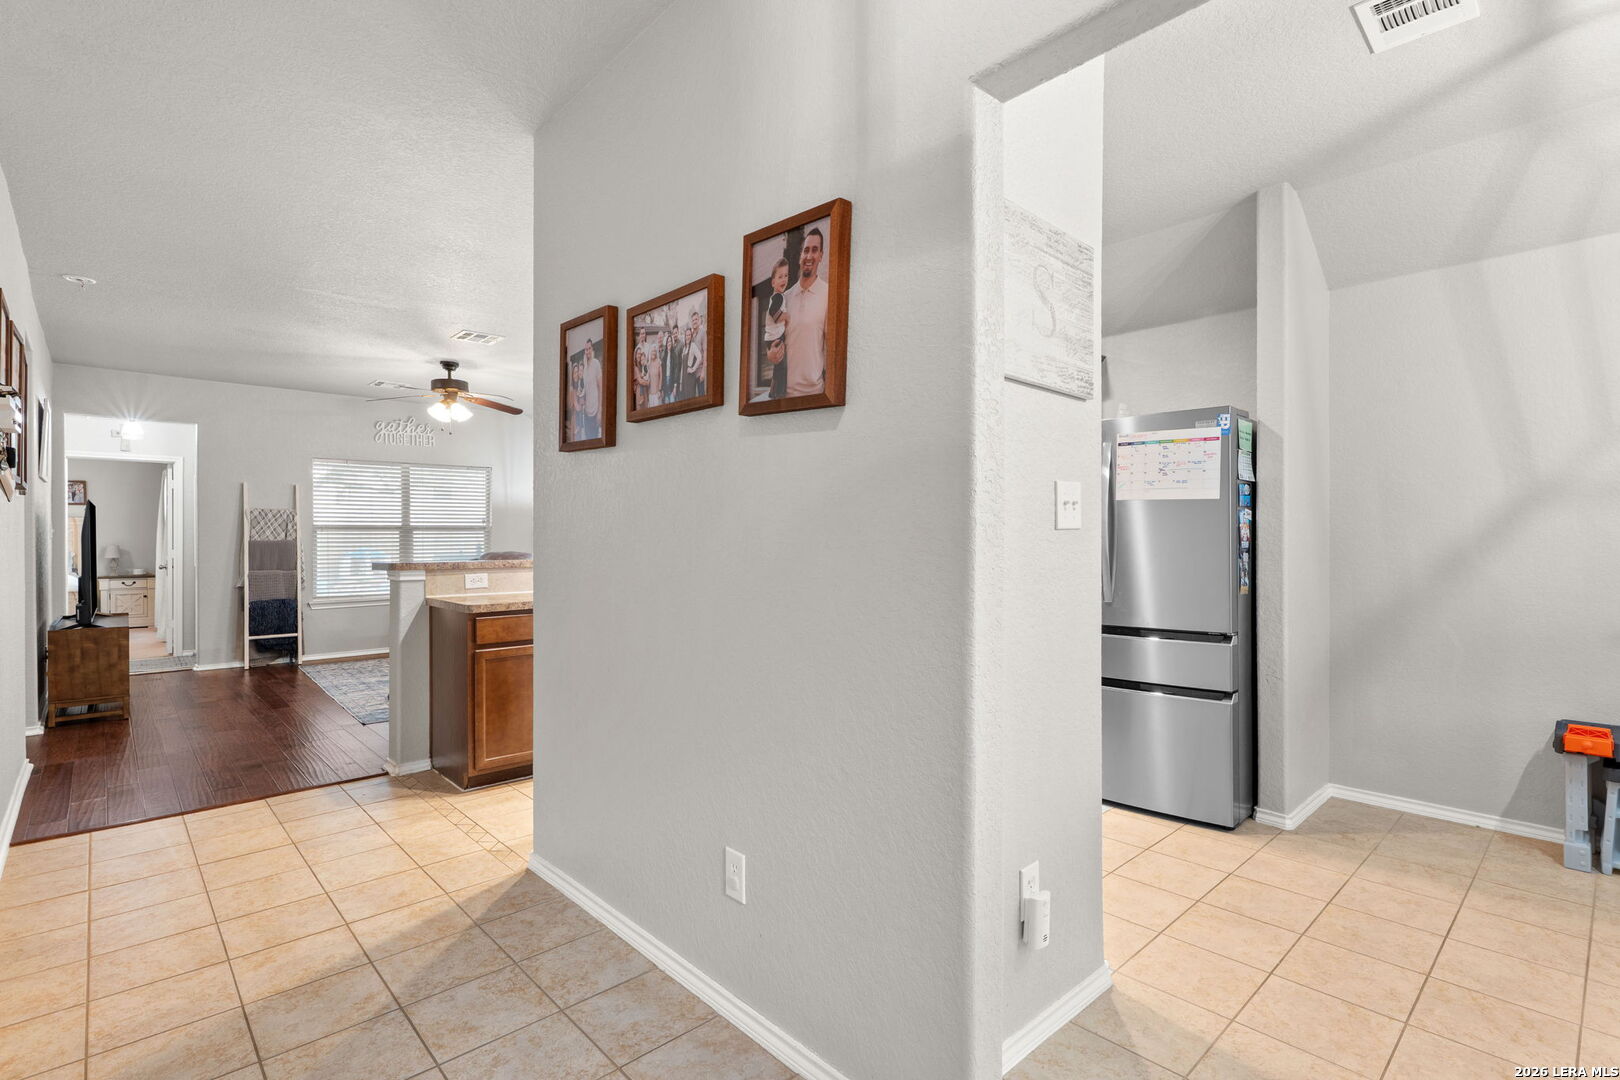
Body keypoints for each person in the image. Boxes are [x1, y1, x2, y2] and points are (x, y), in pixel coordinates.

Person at [783, 226, 829, 396]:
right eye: (806, 250)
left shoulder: (829, 294)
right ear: (800, 255)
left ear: (821, 256)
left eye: (815, 250)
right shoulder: (785, 298)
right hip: (784, 394)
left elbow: (831, 346)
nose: (809, 256)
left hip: (815, 393)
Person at [581, 337, 603, 438]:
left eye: (589, 348)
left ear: (592, 349)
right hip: (586, 411)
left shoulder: (596, 363)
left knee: (595, 438)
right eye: (586, 349)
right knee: (587, 439)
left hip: (595, 410)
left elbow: (600, 387)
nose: (588, 351)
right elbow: (584, 389)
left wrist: (600, 411)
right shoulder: (584, 367)